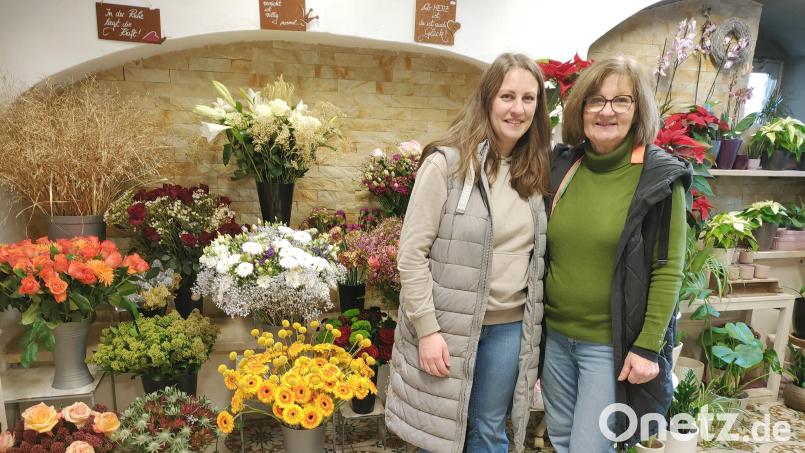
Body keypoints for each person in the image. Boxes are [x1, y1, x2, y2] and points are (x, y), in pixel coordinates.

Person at [384, 53, 551, 453]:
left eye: (529, 99)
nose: (518, 108)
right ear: (487, 98)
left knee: (489, 431)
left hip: (509, 329)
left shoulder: (537, 169)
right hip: (449, 329)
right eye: (507, 96)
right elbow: (411, 255)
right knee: (441, 437)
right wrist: (427, 330)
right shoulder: (446, 165)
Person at [541, 57, 691, 452]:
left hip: (609, 348)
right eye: (595, 101)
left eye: (621, 101)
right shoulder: (564, 166)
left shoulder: (659, 178)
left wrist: (647, 347)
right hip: (555, 339)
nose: (606, 111)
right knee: (559, 439)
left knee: (590, 447)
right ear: (581, 109)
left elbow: (668, 269)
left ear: (637, 109)